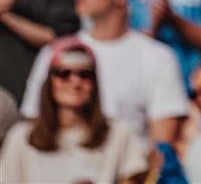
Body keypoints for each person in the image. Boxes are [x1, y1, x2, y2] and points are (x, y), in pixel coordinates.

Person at [22, 0, 189, 146]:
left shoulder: (158, 58)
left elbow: (161, 144)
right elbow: (35, 124)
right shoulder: (55, 53)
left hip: (131, 169)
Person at [0, 37, 149, 184]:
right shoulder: (22, 138)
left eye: (85, 75)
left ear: (94, 84)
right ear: (49, 81)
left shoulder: (118, 134)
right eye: (64, 73)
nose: (75, 82)